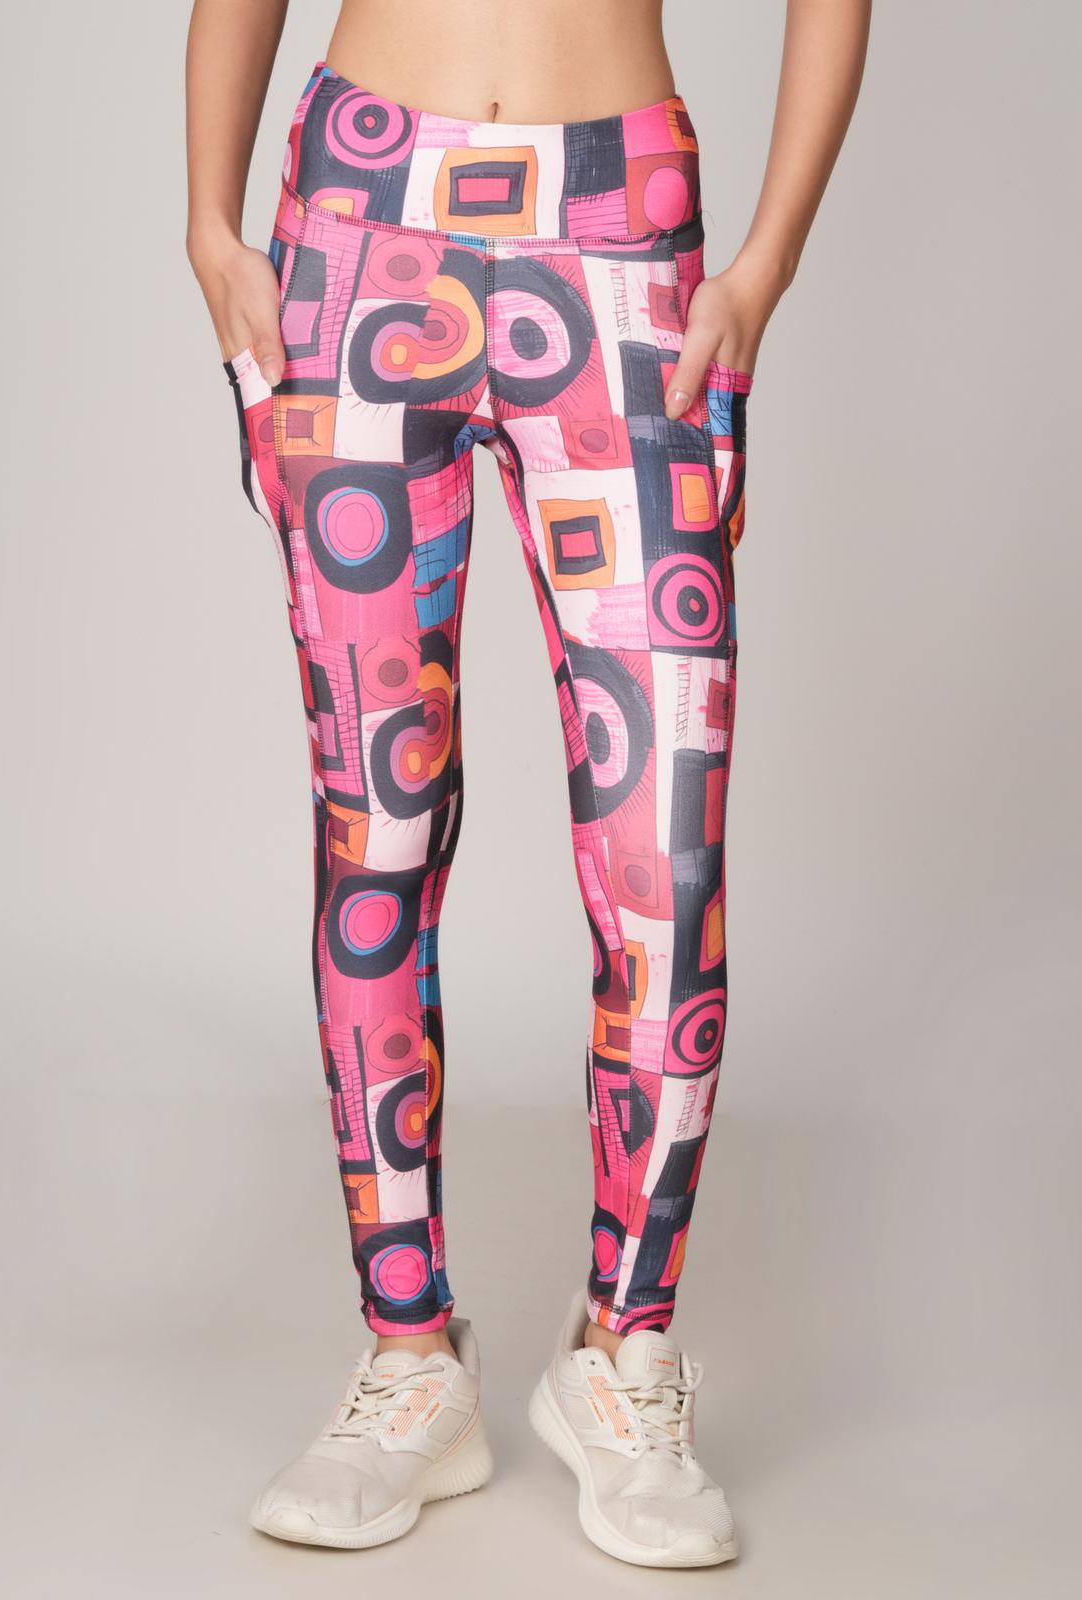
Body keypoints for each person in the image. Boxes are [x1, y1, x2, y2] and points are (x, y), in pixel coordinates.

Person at [185, 0, 870, 1566]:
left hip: (619, 231)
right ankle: (410, 1358)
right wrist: (209, 225)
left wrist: (765, 262)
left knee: (663, 854)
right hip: (362, 219)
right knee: (378, 829)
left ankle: (625, 1351)